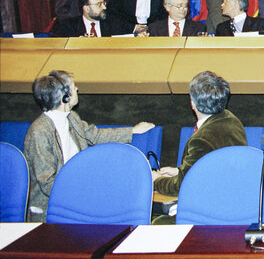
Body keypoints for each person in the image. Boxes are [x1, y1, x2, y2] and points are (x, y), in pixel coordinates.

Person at [24, 70, 154, 221]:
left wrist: (132, 131)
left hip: (75, 198)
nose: (77, 89)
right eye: (73, 87)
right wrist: (88, 193)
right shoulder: (39, 132)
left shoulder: (71, 118)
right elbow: (48, 183)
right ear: (65, 96)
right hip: (50, 210)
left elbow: (95, 135)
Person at [153, 71, 247, 199]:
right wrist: (180, 171)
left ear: (193, 103)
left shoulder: (201, 140)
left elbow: (182, 186)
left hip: (209, 204)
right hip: (231, 195)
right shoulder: (232, 120)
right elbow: (212, 167)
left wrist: (157, 180)